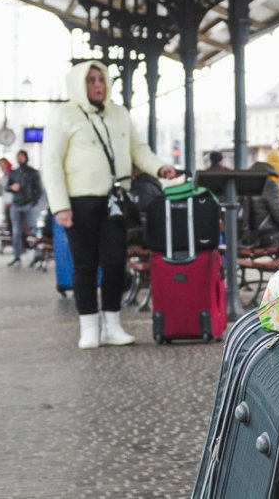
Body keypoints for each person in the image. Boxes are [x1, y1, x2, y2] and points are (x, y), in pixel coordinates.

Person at [43, 61, 176, 349]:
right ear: (79, 84)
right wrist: (60, 206)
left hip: (115, 200)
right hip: (79, 201)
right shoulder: (64, 116)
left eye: (101, 79)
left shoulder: (119, 113)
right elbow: (51, 162)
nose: (98, 85)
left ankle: (113, 324)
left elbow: (138, 149)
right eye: (91, 80)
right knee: (85, 264)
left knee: (115, 262)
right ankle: (89, 326)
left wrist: (159, 168)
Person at [6, 150, 43, 268]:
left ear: (26, 158)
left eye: (22, 157)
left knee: (33, 231)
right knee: (16, 232)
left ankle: (36, 257)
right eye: (18, 157)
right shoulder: (13, 173)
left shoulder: (33, 173)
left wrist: (33, 203)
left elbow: (39, 190)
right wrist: (12, 187)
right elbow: (7, 187)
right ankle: (17, 257)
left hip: (29, 205)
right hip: (16, 205)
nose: (20, 159)